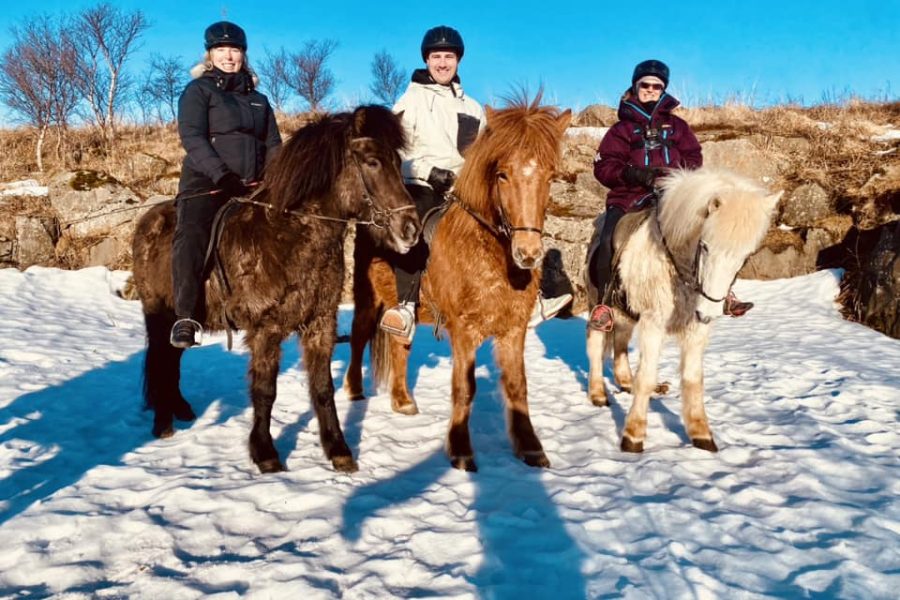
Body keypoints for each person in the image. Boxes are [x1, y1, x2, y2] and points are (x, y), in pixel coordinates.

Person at [379, 25, 571, 343]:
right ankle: (407, 306)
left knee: (505, 221)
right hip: (421, 184)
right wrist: (428, 171)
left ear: (458, 61)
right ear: (427, 60)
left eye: (449, 56)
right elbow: (395, 151)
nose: (443, 63)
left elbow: (485, 158)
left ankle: (531, 297)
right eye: (436, 56)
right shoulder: (407, 102)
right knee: (418, 229)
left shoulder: (473, 107)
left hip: (461, 189)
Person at [588, 59, 752, 332]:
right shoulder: (620, 130)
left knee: (713, 234)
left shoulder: (677, 127)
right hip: (629, 198)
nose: (651, 90)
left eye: (657, 86)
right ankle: (604, 304)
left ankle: (724, 294)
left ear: (663, 90)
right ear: (635, 86)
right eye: (645, 85)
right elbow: (603, 166)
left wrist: (677, 179)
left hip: (672, 198)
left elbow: (693, 158)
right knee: (608, 240)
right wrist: (634, 174)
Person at [169, 21, 282, 348]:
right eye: (222, 50)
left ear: (244, 55)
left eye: (235, 50)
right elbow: (193, 137)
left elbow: (273, 143)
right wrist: (223, 176)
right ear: (210, 54)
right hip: (208, 182)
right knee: (191, 234)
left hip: (254, 185)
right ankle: (186, 316)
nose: (229, 56)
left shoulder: (260, 99)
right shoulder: (199, 91)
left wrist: (272, 180)